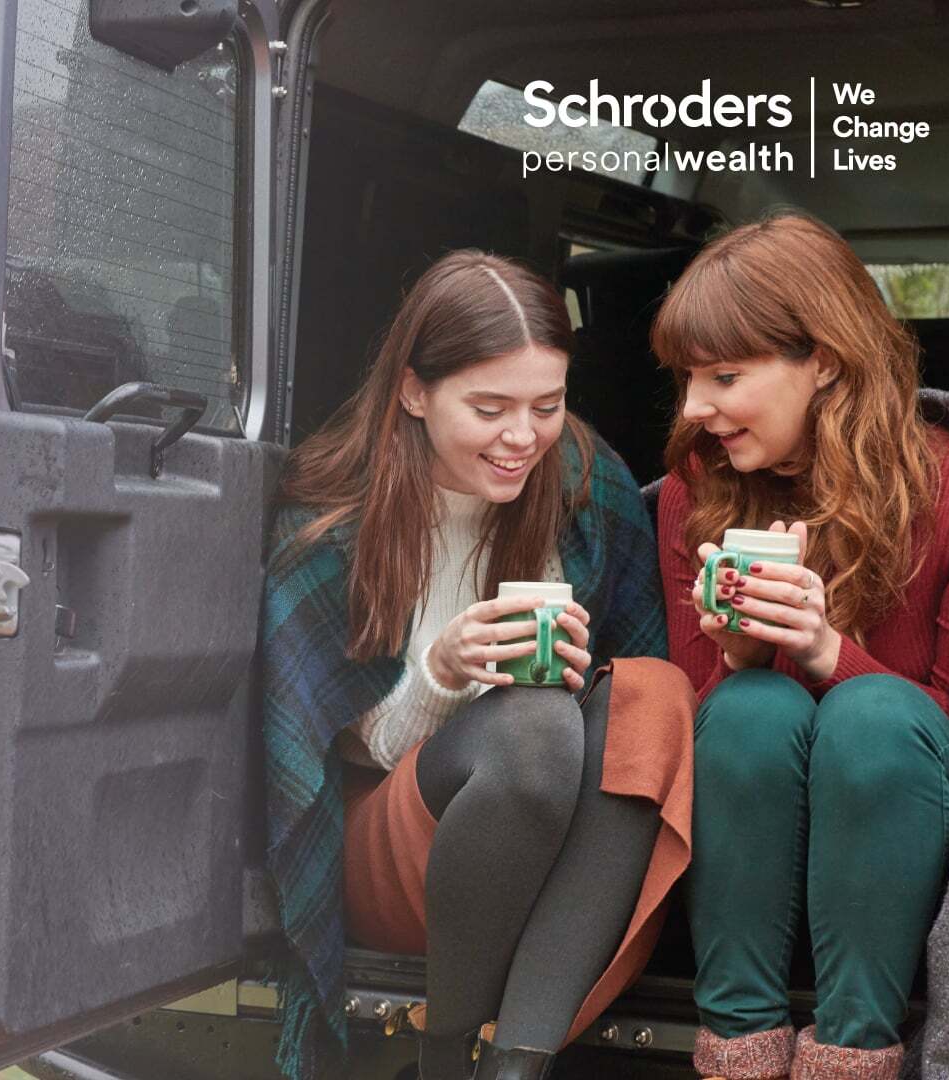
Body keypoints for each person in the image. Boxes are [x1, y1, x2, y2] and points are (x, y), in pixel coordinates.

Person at [261, 250, 695, 1080]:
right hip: (395, 844)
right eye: (489, 407)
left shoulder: (584, 479)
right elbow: (321, 764)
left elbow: (635, 727)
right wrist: (442, 675)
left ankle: (515, 1066)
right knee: (531, 726)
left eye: (547, 405)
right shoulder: (328, 520)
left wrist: (584, 679)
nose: (521, 438)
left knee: (652, 693)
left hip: (561, 846)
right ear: (414, 392)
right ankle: (443, 1048)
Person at [650, 212, 949, 1080]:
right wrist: (734, 657)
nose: (695, 409)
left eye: (726, 376)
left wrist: (829, 651)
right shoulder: (694, 485)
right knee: (751, 708)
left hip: (901, 825)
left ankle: (853, 1055)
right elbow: (694, 734)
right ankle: (739, 1055)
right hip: (745, 830)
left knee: (875, 711)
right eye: (688, 379)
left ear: (825, 361)